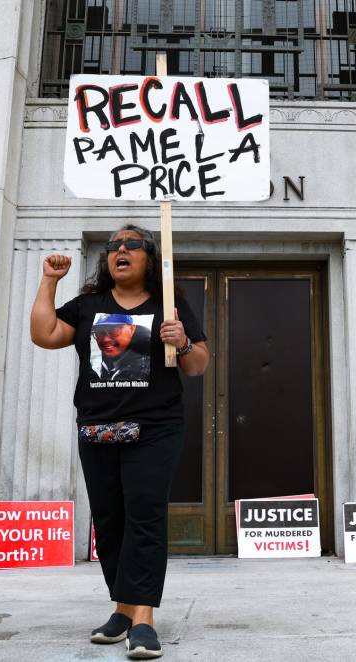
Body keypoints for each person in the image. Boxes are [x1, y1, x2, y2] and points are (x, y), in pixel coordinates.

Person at [29, 223, 209, 659]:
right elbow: (45, 334)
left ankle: (143, 619)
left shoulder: (169, 305)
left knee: (144, 515)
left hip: (154, 428)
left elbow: (199, 365)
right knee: (110, 522)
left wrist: (183, 342)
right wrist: (49, 281)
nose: (120, 250)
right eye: (113, 245)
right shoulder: (89, 305)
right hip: (98, 429)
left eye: (131, 244)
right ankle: (123, 609)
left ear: (149, 257)